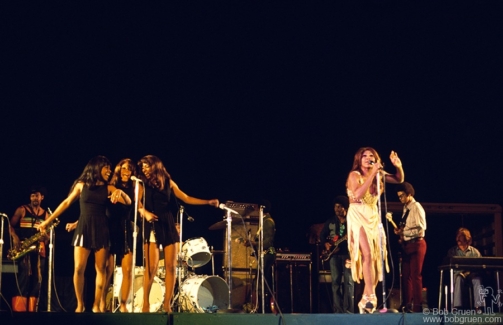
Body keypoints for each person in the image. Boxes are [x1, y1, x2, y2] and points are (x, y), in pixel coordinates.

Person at [36, 156, 132, 313]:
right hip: (84, 228)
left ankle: (95, 305)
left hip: (102, 228)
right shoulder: (81, 186)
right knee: (79, 268)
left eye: (109, 167)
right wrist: (47, 222)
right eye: (106, 167)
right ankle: (80, 305)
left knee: (101, 269)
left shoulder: (109, 188)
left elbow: (129, 202)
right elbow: (66, 203)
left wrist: (120, 192)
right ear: (96, 167)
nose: (109, 170)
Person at [136, 155, 219, 313]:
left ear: (156, 166)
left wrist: (207, 202)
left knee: (171, 266)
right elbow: (137, 204)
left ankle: (167, 303)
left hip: (167, 222)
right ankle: (145, 304)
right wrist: (144, 212)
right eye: (143, 167)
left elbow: (186, 198)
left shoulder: (168, 182)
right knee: (151, 267)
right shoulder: (141, 184)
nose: (144, 169)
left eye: (147, 166)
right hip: (151, 222)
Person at [346, 147, 404, 314]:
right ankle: (370, 294)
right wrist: (373, 174)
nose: (368, 158)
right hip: (358, 214)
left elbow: (399, 179)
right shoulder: (354, 175)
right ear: (359, 159)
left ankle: (366, 297)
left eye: (371, 156)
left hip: (372, 214)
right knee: (367, 254)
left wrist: (398, 166)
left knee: (376, 256)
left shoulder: (378, 174)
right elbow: (356, 195)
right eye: (364, 156)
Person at [8, 186, 50, 312]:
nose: (34, 198)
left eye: (37, 195)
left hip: (38, 249)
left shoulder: (46, 214)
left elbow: (47, 238)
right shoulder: (22, 209)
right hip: (23, 247)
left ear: (42, 197)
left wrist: (45, 237)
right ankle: (19, 309)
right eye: (32, 196)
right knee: (23, 277)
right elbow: (10, 225)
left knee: (38, 279)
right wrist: (15, 237)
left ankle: (32, 309)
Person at [393, 181, 426, 313]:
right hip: (407, 245)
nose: (400, 199)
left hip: (417, 243)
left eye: (402, 196)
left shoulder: (416, 207)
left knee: (415, 275)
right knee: (405, 275)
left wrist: (404, 232)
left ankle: (418, 306)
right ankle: (407, 304)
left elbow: (421, 228)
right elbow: (406, 227)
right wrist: (400, 232)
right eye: (399, 196)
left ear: (409, 194)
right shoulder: (405, 208)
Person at [319, 195, 353, 313]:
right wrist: (326, 244)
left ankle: (348, 310)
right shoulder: (330, 221)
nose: (337, 209)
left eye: (340, 207)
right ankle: (338, 310)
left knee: (349, 282)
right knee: (336, 283)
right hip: (334, 255)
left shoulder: (352, 220)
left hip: (348, 255)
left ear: (345, 208)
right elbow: (322, 235)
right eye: (335, 207)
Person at [244, 200, 276, 313]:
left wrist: (253, 243)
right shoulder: (264, 221)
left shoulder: (268, 222)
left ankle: (263, 307)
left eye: (257, 208)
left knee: (260, 282)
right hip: (264, 254)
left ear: (261, 208)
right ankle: (260, 306)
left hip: (268, 254)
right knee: (259, 281)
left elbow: (267, 242)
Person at [445, 227, 485, 310]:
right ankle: (456, 307)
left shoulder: (475, 252)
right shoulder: (452, 251)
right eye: (457, 236)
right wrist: (462, 273)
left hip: (471, 275)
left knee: (477, 280)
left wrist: (470, 272)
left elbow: (480, 266)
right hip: (458, 275)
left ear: (467, 238)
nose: (458, 238)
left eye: (460, 236)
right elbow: (449, 266)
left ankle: (478, 307)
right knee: (459, 278)